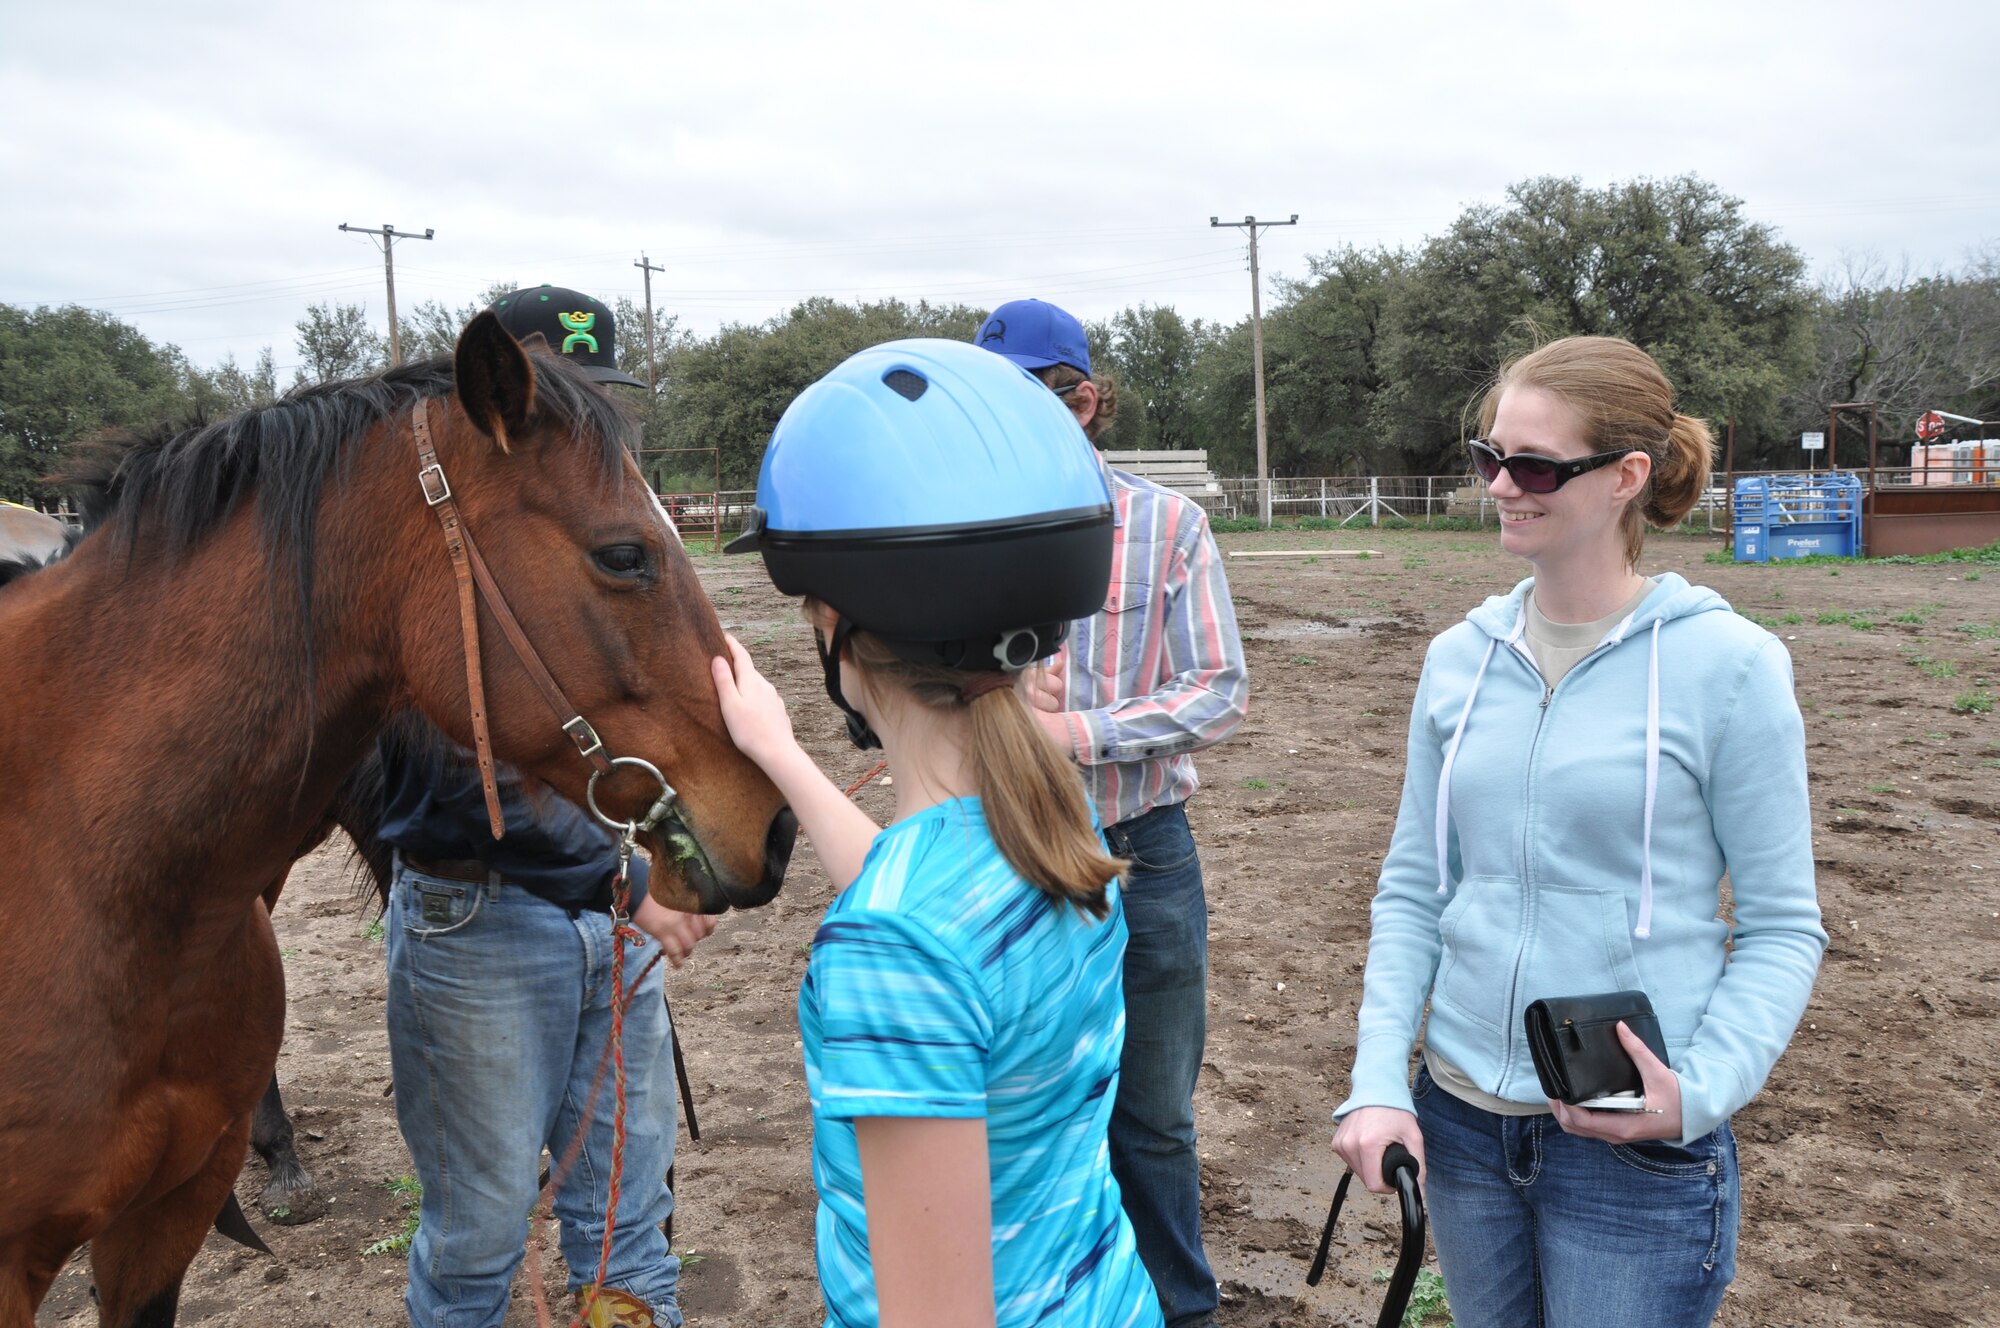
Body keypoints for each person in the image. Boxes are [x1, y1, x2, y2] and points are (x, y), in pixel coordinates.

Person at [1330, 335, 1827, 1327]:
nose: (1501, 486)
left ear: (1625, 479)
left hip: (1632, 1146)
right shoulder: (1455, 660)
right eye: (1488, 457)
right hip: (1461, 1123)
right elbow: (1414, 887)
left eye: (1534, 465)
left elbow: (1781, 925)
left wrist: (1697, 1093)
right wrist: (1378, 1079)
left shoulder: (1729, 667)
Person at [716, 338, 1164, 1328]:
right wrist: (781, 754)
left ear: (830, 620)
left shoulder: (894, 943)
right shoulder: (1052, 823)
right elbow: (920, 894)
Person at [380, 285, 710, 1328]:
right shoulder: (431, 568)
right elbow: (432, 777)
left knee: (626, 1219)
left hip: (607, 920)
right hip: (480, 921)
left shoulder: (587, 521)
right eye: (546, 399)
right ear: (493, 400)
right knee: (479, 1237)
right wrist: (624, 880)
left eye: (592, 398)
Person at [973, 298, 1247, 1328]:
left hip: (1140, 849)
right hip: (999, 849)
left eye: (1031, 395)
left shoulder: (1167, 525)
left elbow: (1217, 686)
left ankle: (1179, 1306)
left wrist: (1073, 734)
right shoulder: (957, 531)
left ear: (1083, 400)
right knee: (1026, 1108)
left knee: (1151, 1115)